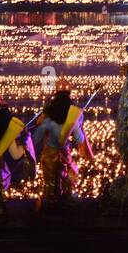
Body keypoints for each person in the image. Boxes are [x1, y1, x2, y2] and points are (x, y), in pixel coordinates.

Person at [31, 79, 93, 209]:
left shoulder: (47, 118)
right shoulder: (72, 119)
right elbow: (80, 140)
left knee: (50, 183)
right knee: (68, 178)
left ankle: (50, 204)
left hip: (49, 154)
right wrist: (79, 127)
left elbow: (36, 139)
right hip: (64, 153)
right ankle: (67, 199)